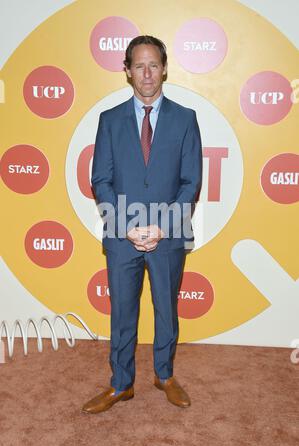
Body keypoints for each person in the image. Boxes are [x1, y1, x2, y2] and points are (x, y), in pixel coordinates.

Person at [82, 35, 202, 414]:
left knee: (166, 309)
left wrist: (163, 227)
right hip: (122, 236)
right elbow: (100, 179)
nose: (147, 73)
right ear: (127, 72)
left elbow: (191, 181)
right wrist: (125, 225)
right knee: (122, 313)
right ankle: (121, 383)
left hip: (168, 236)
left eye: (153, 65)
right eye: (139, 66)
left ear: (164, 68)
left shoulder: (186, 119)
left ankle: (164, 375)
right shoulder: (109, 120)